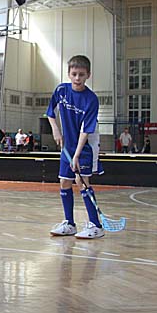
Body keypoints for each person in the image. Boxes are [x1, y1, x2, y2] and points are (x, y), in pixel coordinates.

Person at [48, 55, 105, 240]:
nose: (77, 78)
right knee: (64, 182)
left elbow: (86, 130)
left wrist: (77, 155)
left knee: (82, 182)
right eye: (74, 74)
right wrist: (56, 130)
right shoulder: (61, 90)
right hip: (67, 146)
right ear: (68, 74)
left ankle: (95, 225)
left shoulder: (91, 99)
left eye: (81, 74)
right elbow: (50, 113)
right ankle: (69, 223)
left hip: (85, 147)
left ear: (88, 75)